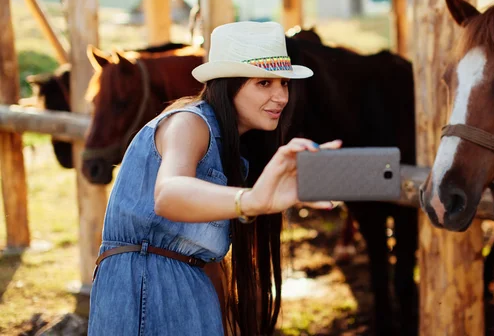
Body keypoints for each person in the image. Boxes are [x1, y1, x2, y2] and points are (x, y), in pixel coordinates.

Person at [87, 21, 342, 336]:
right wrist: (252, 200)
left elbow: (203, 257)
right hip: (143, 288)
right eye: (264, 83)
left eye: (284, 84)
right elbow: (169, 194)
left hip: (194, 293)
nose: (280, 97)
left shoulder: (235, 152)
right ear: (228, 84)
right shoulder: (188, 123)